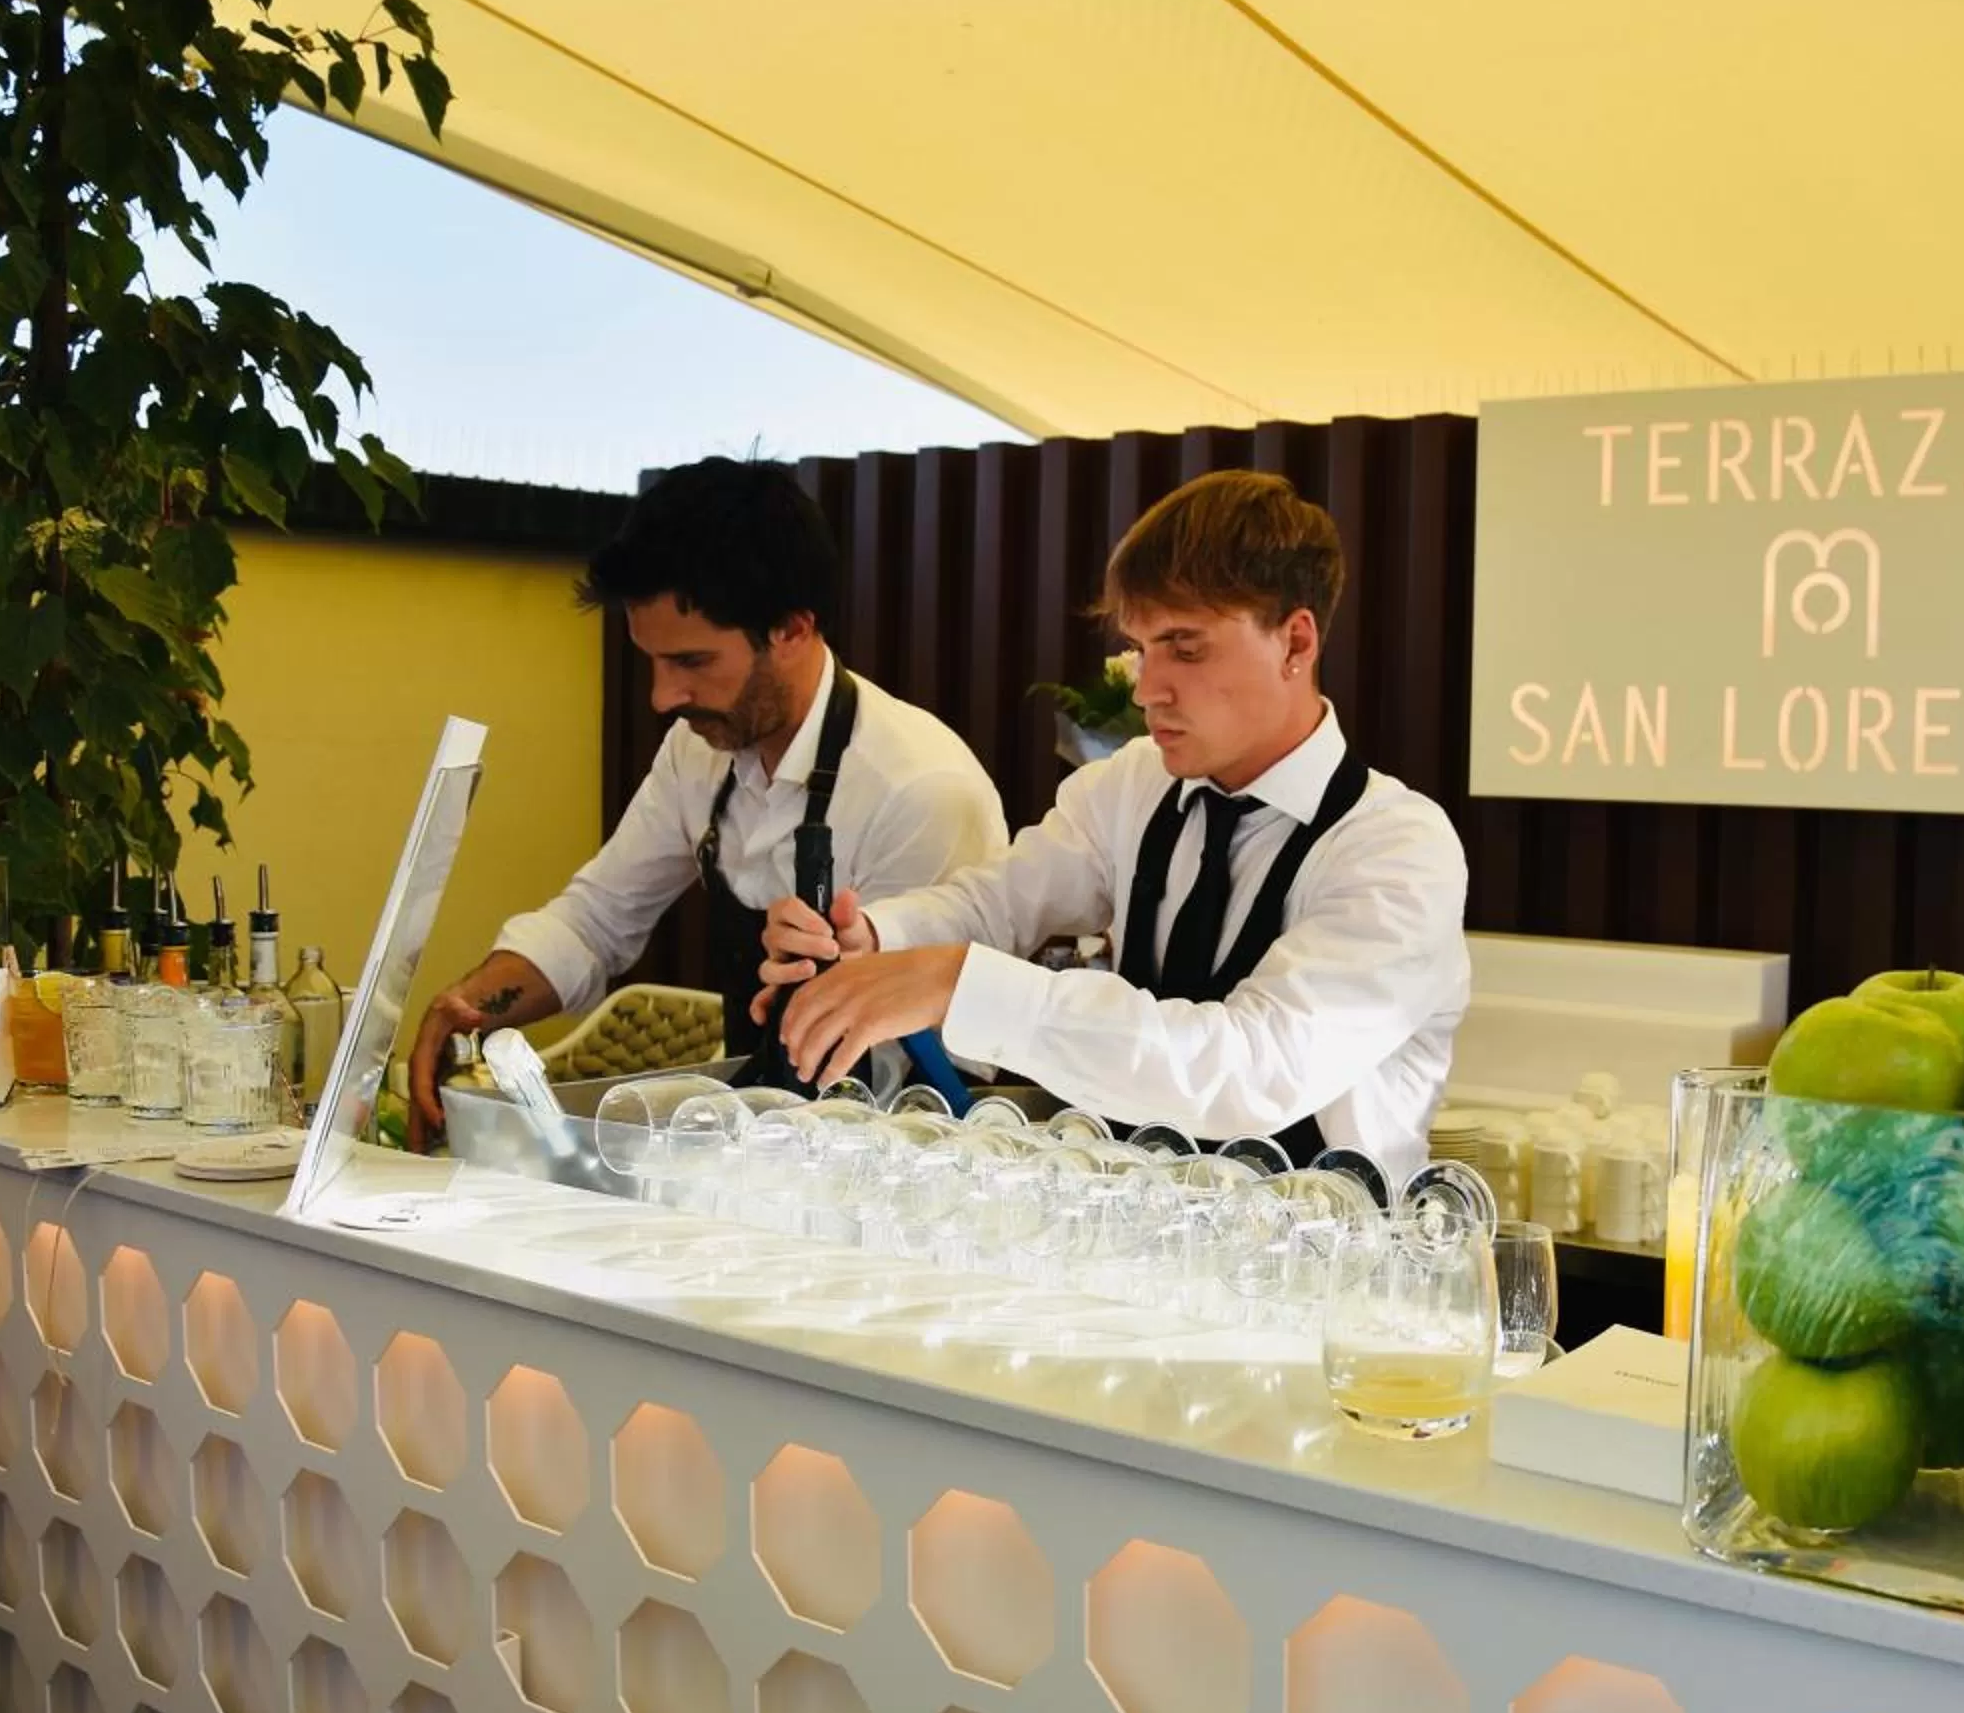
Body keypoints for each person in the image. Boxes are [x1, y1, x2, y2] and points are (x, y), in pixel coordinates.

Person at [758, 469, 1469, 1190]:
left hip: (1333, 1275)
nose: (1146, 687)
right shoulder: (1131, 786)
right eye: (1143, 647)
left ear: (1295, 642)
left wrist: (957, 984)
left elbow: (1251, 1070)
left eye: (1185, 649)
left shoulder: (1399, 849)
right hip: (1147, 1253)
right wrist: (873, 940)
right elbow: (995, 905)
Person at [410, 457, 1008, 1141]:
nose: (663, 698)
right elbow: (595, 921)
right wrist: (472, 1006)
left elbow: (919, 1074)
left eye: (691, 663)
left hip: (896, 1157)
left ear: (791, 628)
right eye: (653, 662)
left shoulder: (919, 788)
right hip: (760, 1143)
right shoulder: (699, 750)